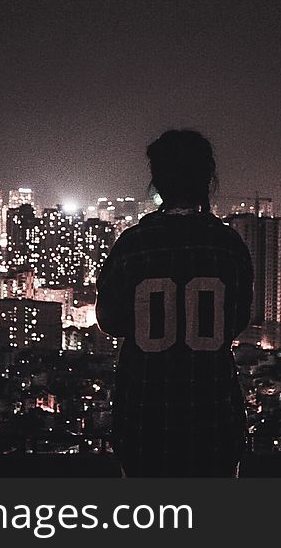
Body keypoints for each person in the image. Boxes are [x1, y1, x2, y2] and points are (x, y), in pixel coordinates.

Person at [96, 129, 254, 477]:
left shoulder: (133, 243)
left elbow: (109, 320)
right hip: (213, 413)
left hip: (144, 414)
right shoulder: (227, 245)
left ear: (157, 182)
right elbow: (239, 319)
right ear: (206, 179)